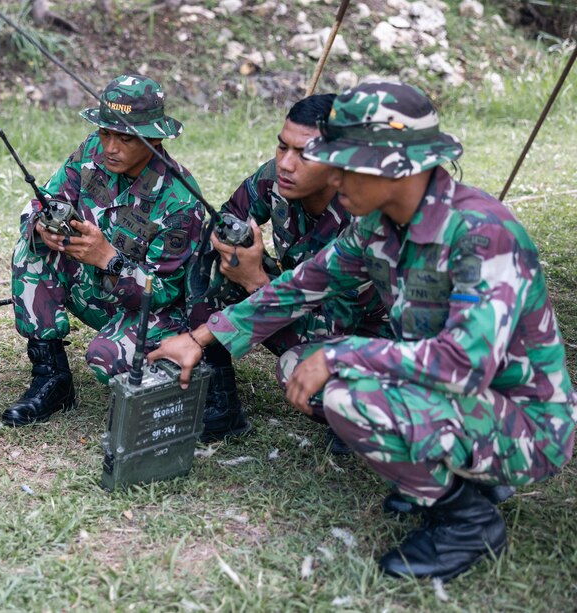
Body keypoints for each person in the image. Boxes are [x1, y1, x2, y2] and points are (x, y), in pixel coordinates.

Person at [150, 80, 576, 581]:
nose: (331, 177)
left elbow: (463, 364)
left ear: (395, 167)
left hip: (526, 426)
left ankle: (467, 520)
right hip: (456, 397)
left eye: (344, 165)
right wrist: (200, 338)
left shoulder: (483, 234)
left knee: (350, 396)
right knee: (342, 386)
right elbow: (299, 286)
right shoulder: (377, 225)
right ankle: (456, 479)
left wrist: (338, 355)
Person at [4, 73, 204, 426]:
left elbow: (165, 293)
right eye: (106, 132)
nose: (111, 147)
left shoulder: (180, 201)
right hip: (100, 292)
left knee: (105, 357)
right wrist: (40, 225)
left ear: (154, 138)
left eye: (125, 138)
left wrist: (108, 259)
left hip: (156, 311)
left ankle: (182, 373)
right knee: (31, 252)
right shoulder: (91, 153)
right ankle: (51, 378)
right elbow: (46, 201)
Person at [193, 94, 389, 443]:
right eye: (282, 147)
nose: (286, 163)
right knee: (211, 264)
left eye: (305, 154)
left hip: (367, 336)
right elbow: (229, 218)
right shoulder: (276, 178)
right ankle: (218, 402)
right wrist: (231, 244)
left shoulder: (365, 221)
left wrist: (255, 281)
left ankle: (361, 418)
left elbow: (334, 328)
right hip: (301, 296)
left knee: (299, 368)